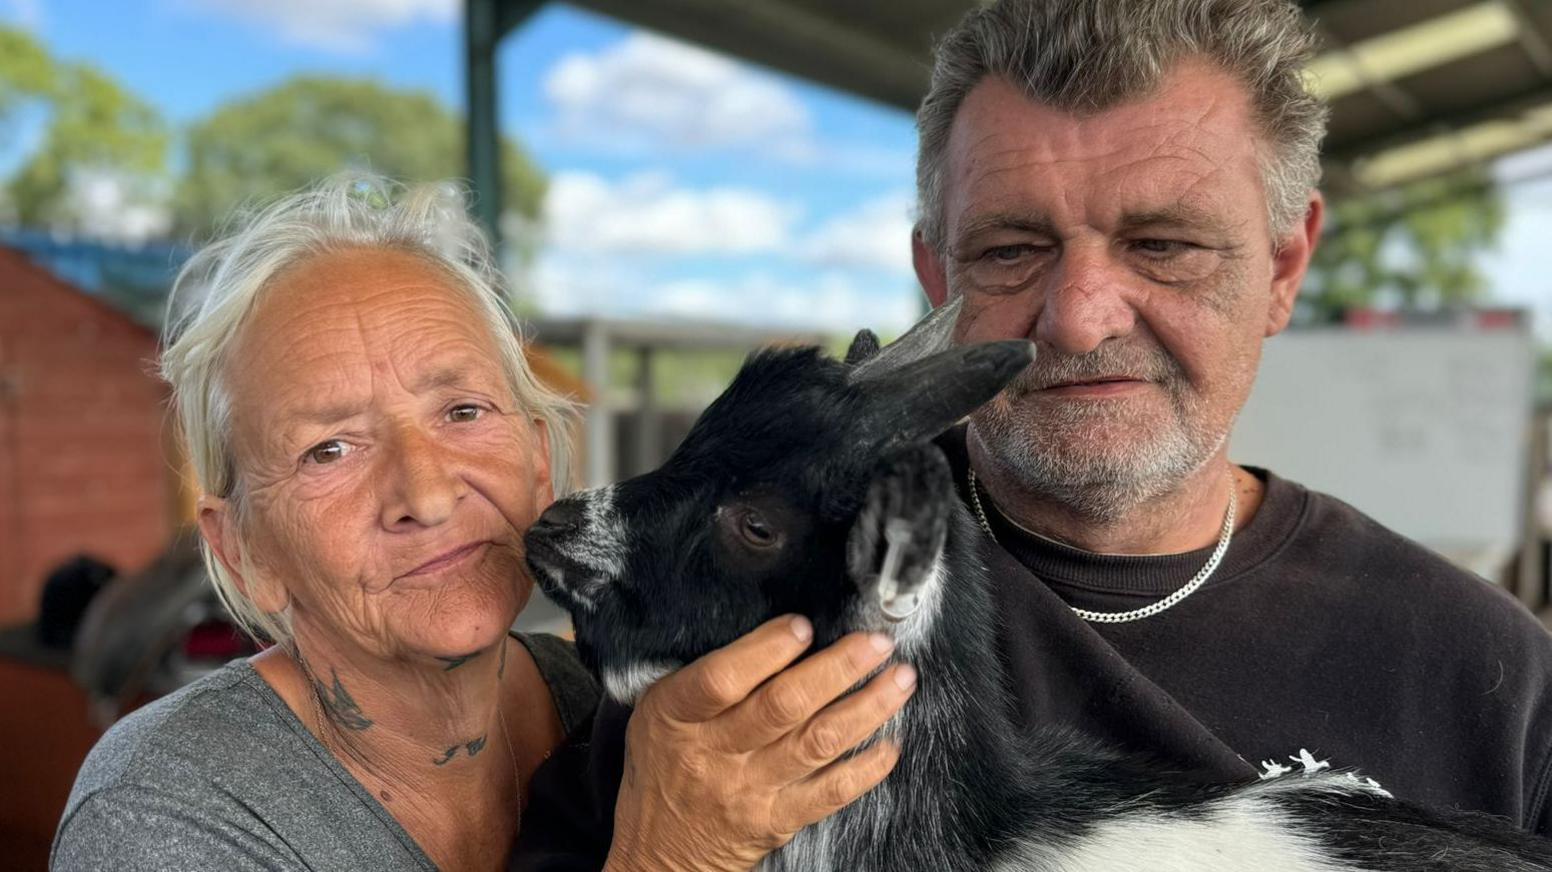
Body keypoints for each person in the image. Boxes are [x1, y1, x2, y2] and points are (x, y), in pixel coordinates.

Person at [514, 0, 1552, 864]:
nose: (1079, 315)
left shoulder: (1485, 673)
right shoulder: (748, 604)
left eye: (1165, 243)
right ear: (936, 277)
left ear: (1282, 267)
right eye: (1011, 249)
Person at [51, 174, 914, 871]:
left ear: (540, 460)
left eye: (463, 411)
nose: (425, 494)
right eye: (329, 451)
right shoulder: (165, 812)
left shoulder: (622, 702)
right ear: (241, 552)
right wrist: (673, 855)